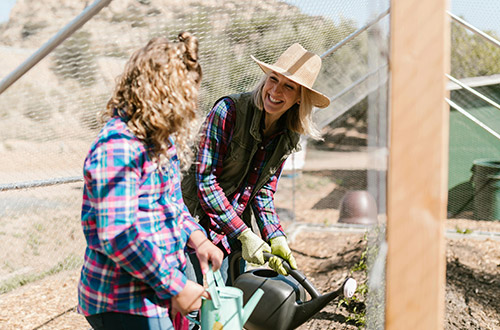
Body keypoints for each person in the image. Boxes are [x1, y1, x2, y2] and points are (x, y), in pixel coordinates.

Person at [77, 32, 223, 330]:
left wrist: (199, 240)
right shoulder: (118, 146)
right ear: (161, 93)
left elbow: (171, 203)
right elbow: (118, 235)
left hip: (154, 293)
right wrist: (176, 287)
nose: (190, 103)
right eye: (185, 93)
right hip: (122, 301)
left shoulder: (159, 141)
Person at [181, 43, 330, 286]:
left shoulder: (287, 136)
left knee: (226, 306)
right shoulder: (228, 111)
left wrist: (275, 235)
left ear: (298, 99)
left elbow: (263, 190)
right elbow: (205, 181)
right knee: (194, 307)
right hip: (193, 224)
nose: (276, 90)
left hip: (231, 229)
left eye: (288, 86)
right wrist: (244, 233)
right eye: (273, 79)